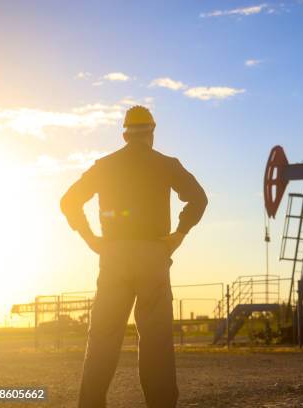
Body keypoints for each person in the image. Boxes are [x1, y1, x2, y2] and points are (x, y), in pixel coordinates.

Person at [60, 106, 207, 408]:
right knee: (156, 341)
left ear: (125, 134)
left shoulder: (105, 165)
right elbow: (199, 198)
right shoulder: (166, 164)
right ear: (152, 133)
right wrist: (178, 235)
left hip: (113, 255)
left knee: (102, 337)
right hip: (153, 254)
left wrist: (90, 238)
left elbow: (68, 201)